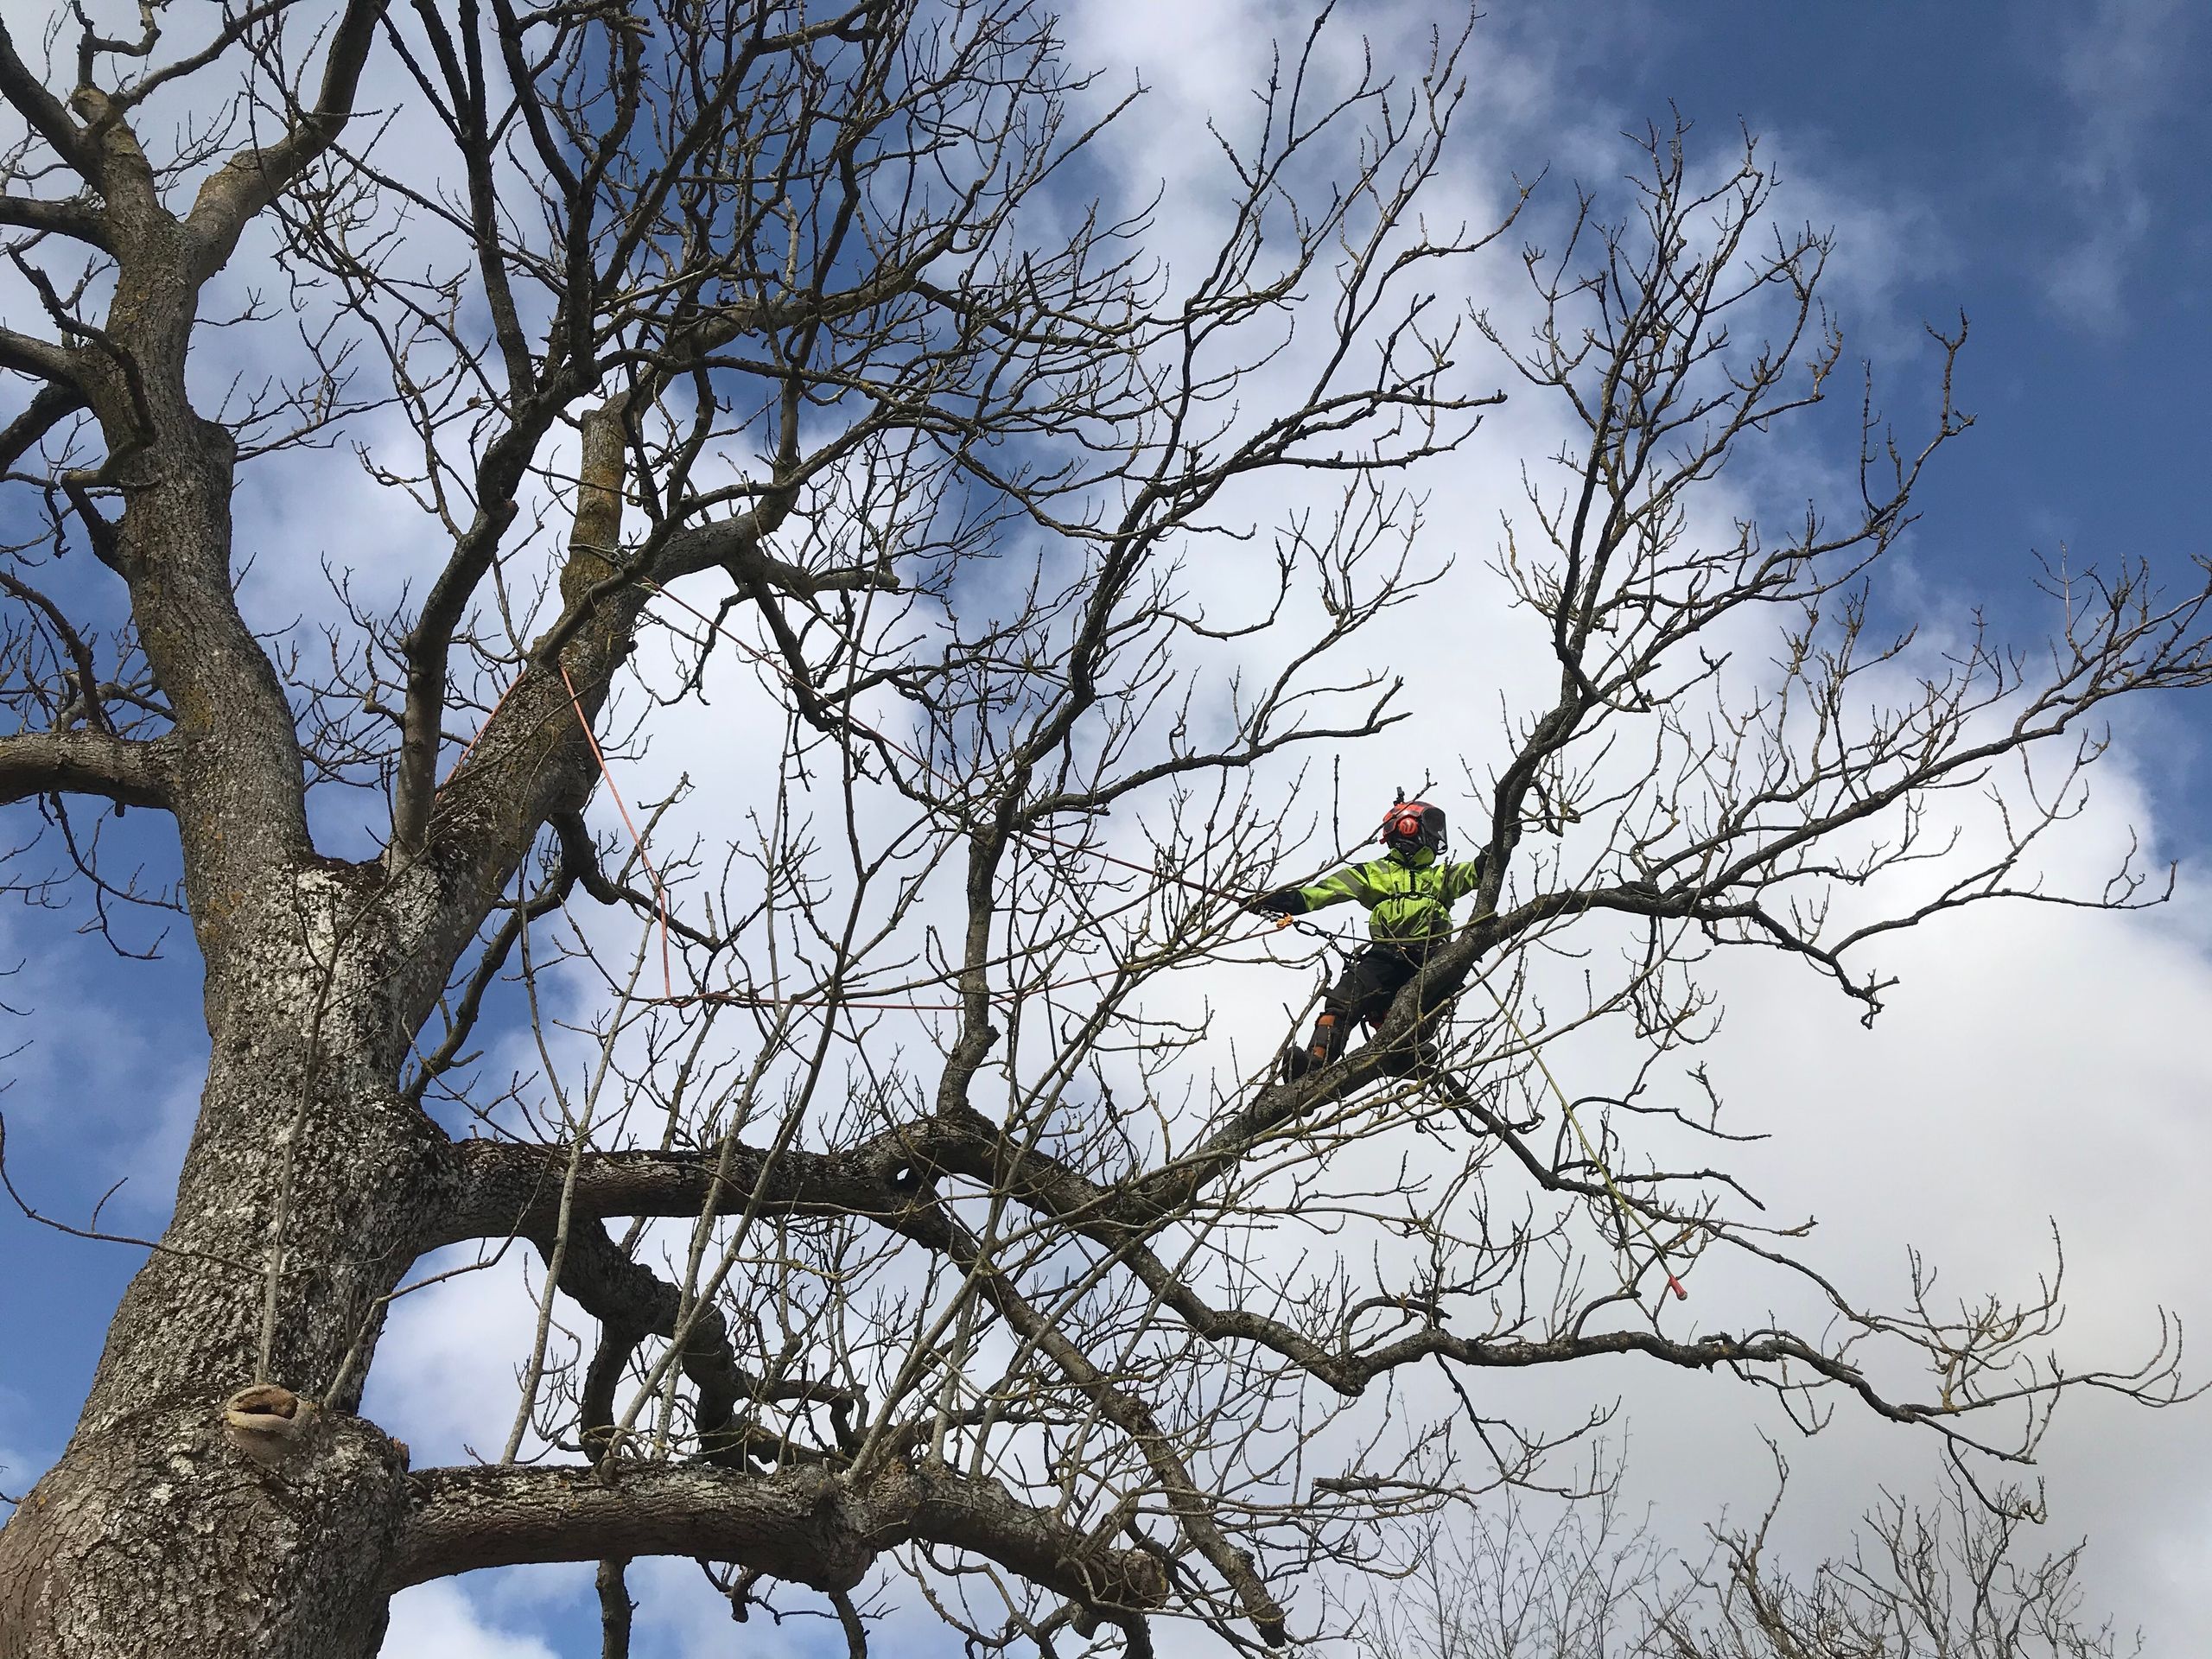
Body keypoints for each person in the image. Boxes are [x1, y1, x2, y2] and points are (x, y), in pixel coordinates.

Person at [1246, 800, 1487, 1078]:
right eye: (1431, 826)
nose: (1436, 834)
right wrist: (1282, 901)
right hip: (1385, 953)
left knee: (1444, 976)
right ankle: (1314, 1064)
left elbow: (1474, 873)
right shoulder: (1372, 872)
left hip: (1431, 951)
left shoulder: (1441, 875)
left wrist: (1492, 853)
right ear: (1407, 827)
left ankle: (1406, 1050)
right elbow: (1325, 891)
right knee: (1344, 997)